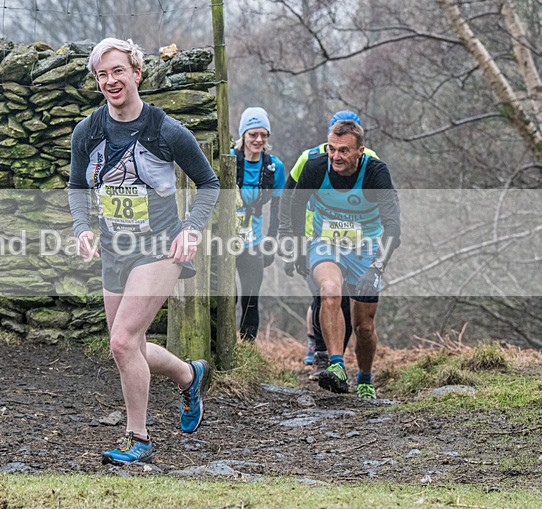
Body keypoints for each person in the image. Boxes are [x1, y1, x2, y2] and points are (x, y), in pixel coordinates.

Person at [67, 38, 220, 464]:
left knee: (122, 342)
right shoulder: (87, 131)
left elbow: (209, 184)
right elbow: (77, 186)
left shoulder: (166, 131)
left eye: (118, 71)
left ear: (136, 73)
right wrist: (82, 226)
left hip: (160, 248)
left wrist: (190, 229)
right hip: (115, 250)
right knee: (127, 346)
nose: (110, 80)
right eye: (102, 74)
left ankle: (139, 438)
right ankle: (188, 375)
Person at [281, 120, 399, 399]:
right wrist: (298, 248)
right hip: (326, 243)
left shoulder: (376, 173)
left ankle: (366, 379)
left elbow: (393, 227)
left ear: (360, 151)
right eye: (332, 149)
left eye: (344, 151)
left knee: (364, 326)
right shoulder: (315, 167)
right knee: (330, 291)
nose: (335, 156)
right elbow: (295, 205)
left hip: (366, 249)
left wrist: (376, 268)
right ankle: (336, 366)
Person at [232, 108, 286, 341]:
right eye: (253, 134)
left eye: (263, 135)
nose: (258, 140)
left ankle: (247, 345)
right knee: (227, 296)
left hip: (253, 241)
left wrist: (271, 241)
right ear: (243, 135)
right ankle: (224, 343)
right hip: (225, 239)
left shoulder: (274, 167)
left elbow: (277, 209)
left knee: (251, 297)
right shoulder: (230, 160)